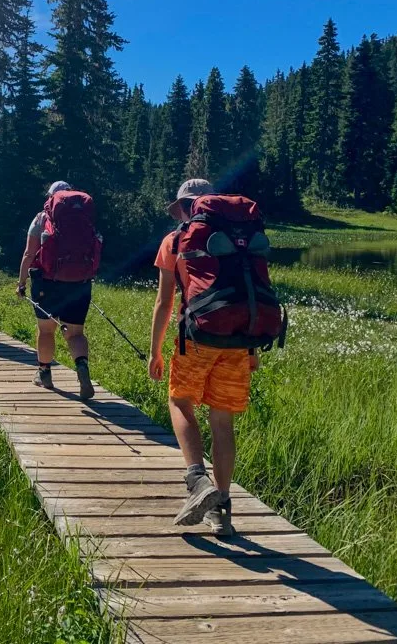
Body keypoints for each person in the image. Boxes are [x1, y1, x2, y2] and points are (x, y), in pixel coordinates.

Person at [148, 178, 260, 537]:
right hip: (239, 340)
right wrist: (252, 347)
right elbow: (250, 292)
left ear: (185, 208)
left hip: (196, 337)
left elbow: (165, 302)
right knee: (222, 422)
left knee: (180, 402)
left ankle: (197, 479)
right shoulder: (240, 240)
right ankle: (222, 510)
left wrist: (155, 350)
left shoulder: (175, 240)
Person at [16, 181, 98, 401]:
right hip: (80, 282)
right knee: (75, 333)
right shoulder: (84, 218)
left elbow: (28, 254)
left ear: (51, 198)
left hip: (47, 283)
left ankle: (44, 374)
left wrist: (22, 282)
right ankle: (82, 367)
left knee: (46, 330)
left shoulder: (42, 218)